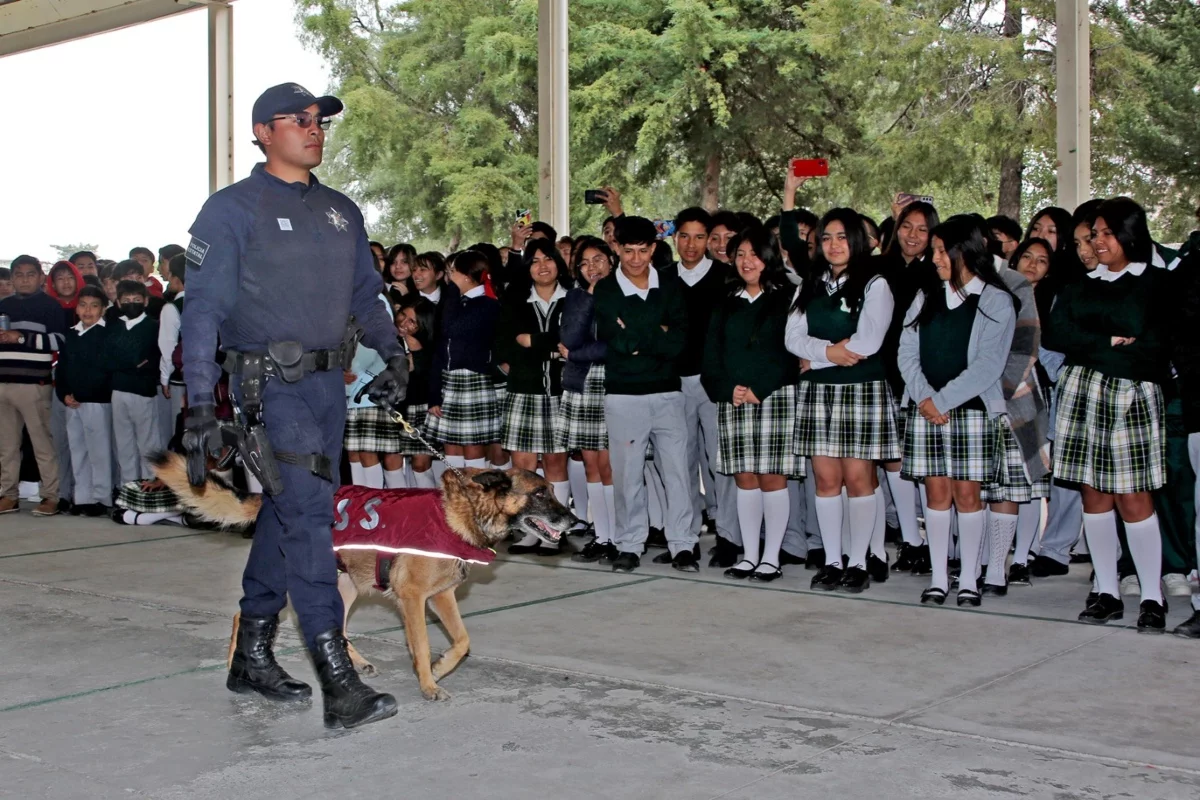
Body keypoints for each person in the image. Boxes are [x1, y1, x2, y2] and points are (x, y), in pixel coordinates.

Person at [180, 83, 407, 728]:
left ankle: (251, 653)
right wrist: (201, 404)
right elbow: (202, 313)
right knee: (310, 517)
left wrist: (394, 354)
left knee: (287, 514)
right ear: (261, 131)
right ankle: (338, 681)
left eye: (320, 121)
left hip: (327, 387)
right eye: (299, 120)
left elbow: (368, 295)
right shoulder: (230, 211)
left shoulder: (342, 211)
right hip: (267, 387)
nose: (314, 130)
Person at [1044, 197, 1175, 631]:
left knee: (1134, 497)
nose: (1097, 242)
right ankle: (1106, 590)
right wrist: (1107, 342)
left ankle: (1152, 596)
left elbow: (1141, 328)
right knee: (1093, 496)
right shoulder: (1081, 282)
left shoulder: (1155, 281)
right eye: (1093, 234)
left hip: (1134, 395)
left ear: (1129, 235)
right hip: (1081, 391)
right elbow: (1058, 329)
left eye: (1104, 233)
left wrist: (1093, 333)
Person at [898, 215, 1016, 606]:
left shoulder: (996, 301)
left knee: (968, 495)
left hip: (971, 412)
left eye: (939, 250)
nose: (934, 258)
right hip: (927, 409)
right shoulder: (926, 295)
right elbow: (906, 352)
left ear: (964, 251)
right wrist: (924, 398)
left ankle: (969, 577)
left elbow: (987, 366)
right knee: (936, 494)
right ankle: (938, 577)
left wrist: (941, 402)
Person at [786, 208, 898, 593]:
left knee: (857, 479)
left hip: (860, 389)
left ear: (857, 240)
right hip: (819, 392)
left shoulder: (875, 282)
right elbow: (792, 336)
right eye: (826, 238)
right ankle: (832, 560)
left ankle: (858, 560)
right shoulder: (810, 284)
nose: (834, 245)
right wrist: (829, 352)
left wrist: (815, 356)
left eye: (841, 237)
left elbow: (869, 341)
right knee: (826, 480)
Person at [594, 215, 694, 573]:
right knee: (628, 475)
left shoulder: (670, 284)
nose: (636, 258)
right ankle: (630, 544)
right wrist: (656, 329)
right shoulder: (605, 290)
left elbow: (679, 341)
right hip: (623, 396)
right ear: (616, 248)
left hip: (668, 392)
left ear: (654, 248)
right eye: (628, 251)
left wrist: (637, 331)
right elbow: (617, 342)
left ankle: (682, 543)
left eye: (643, 250)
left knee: (677, 472)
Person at [703, 227, 802, 582]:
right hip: (734, 400)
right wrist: (727, 388)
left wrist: (760, 387)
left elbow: (792, 352)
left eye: (754, 254)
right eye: (740, 254)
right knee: (745, 480)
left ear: (769, 257)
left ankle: (771, 557)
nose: (747, 262)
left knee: (772, 479)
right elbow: (711, 354)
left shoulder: (788, 297)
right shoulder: (727, 299)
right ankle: (750, 554)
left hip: (774, 399)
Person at [662, 206, 739, 566]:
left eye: (698, 237)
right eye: (684, 236)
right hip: (672, 384)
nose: (690, 245)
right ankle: (684, 539)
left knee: (720, 462)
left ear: (709, 240)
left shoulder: (727, 278)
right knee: (680, 464)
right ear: (674, 238)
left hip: (714, 384)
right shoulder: (660, 278)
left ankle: (728, 536)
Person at [980, 238, 1051, 596]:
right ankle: (977, 562)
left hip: (1013, 393)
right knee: (975, 487)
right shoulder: (950, 282)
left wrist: (996, 391)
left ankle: (999, 567)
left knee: (1012, 484)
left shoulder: (1014, 283)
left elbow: (1026, 347)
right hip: (967, 396)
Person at [878, 199, 941, 575]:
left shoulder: (937, 271)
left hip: (920, 377)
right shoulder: (881, 266)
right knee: (893, 459)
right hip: (883, 374)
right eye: (906, 226)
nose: (913, 235)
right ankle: (910, 541)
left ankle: (937, 544)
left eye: (922, 229)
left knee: (925, 463)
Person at [498, 239, 572, 555]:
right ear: (527, 268)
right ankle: (529, 530)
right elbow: (510, 343)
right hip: (523, 391)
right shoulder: (515, 301)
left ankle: (557, 530)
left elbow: (572, 340)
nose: (542, 266)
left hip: (561, 391)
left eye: (548, 259)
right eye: (534, 260)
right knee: (523, 467)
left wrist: (535, 342)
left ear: (558, 263)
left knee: (556, 462)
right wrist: (552, 345)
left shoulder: (574, 299)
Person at [558, 237, 618, 563]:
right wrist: (590, 298)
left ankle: (620, 536)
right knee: (591, 463)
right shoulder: (577, 297)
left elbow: (615, 343)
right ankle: (603, 535)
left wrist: (578, 353)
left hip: (614, 383)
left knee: (609, 465)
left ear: (611, 259)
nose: (592, 268)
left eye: (598, 259)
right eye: (584, 263)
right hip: (582, 385)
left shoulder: (625, 294)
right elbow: (568, 337)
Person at [0, 255, 66, 516]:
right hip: (3, 383)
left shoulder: (51, 306)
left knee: (42, 445)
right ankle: (8, 495)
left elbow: (59, 341)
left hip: (34, 385)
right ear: (12, 278)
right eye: (18, 274)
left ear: (41, 277)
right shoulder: (3, 305)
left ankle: (51, 496)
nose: (24, 279)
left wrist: (21, 338)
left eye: (30, 274)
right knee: (6, 446)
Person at [424, 251, 501, 471]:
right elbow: (440, 347)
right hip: (448, 380)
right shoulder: (454, 302)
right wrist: (434, 394)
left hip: (472, 381)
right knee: (451, 446)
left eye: (453, 272)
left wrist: (451, 292)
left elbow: (452, 329)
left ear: (467, 276)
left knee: (472, 446)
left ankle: (479, 500)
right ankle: (457, 500)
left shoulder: (487, 304)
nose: (449, 277)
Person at [56, 286, 113, 516]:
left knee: (99, 452)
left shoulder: (107, 333)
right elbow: (62, 369)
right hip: (73, 402)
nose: (88, 310)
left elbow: (104, 370)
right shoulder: (71, 333)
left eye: (94, 305)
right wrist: (64, 394)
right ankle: (82, 497)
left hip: (97, 402)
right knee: (77, 449)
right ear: (76, 308)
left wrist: (86, 393)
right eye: (83, 305)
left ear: (103, 309)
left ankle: (102, 498)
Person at [104, 280, 164, 484]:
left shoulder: (153, 327)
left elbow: (150, 361)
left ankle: (149, 488)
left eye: (136, 300)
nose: (132, 303)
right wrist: (133, 362)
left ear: (146, 301)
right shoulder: (113, 327)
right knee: (124, 444)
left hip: (143, 391)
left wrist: (130, 362)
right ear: (118, 303)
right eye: (126, 300)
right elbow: (109, 359)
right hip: (118, 391)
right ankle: (128, 490)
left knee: (148, 444)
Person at [395, 295, 438, 488]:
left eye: (411, 321)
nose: (404, 322)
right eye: (403, 315)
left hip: (422, 407)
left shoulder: (429, 344)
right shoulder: (388, 338)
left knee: (420, 464)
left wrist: (415, 349)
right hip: (398, 408)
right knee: (400, 463)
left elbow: (421, 373)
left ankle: (429, 506)